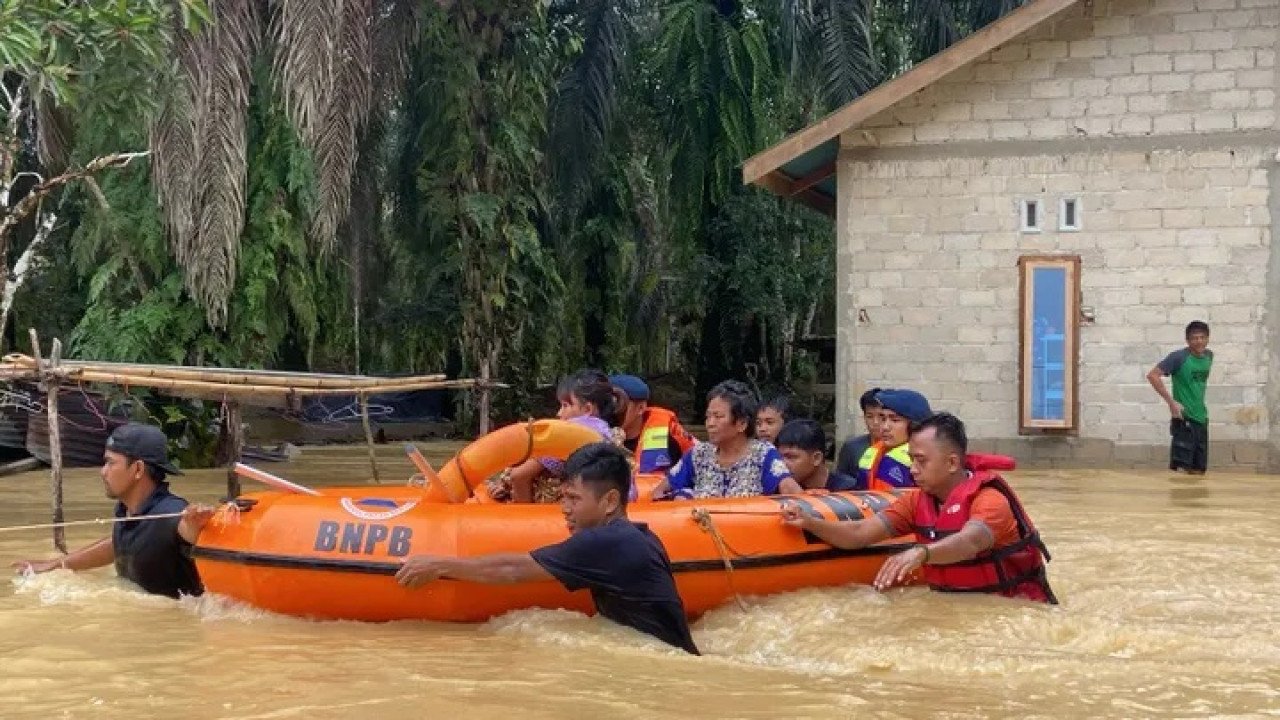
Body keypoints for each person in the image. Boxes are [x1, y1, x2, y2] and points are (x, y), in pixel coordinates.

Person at [397, 443, 700, 654]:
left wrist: (439, 565)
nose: (564, 508)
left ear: (609, 501)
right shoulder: (639, 536)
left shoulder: (606, 542)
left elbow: (512, 569)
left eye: (573, 499)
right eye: (563, 497)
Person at [781, 413, 1056, 603]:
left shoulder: (989, 499)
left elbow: (972, 540)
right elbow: (860, 533)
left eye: (921, 461)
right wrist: (810, 522)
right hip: (954, 606)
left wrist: (921, 553)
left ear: (951, 463)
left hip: (1012, 608)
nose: (912, 469)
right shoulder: (915, 501)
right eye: (911, 459)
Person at [11, 423, 212, 599]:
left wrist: (195, 523)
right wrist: (55, 565)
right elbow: (120, 544)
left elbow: (186, 531)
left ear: (138, 469)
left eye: (110, 462)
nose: (103, 471)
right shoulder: (129, 511)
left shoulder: (172, 512)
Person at [489, 369, 625, 503]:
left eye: (565, 406)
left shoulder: (570, 435)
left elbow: (519, 476)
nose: (559, 413)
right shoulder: (609, 435)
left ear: (588, 409)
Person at [651, 380, 803, 499]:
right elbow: (660, 492)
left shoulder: (763, 455)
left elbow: (792, 492)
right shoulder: (698, 454)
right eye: (708, 417)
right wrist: (681, 495)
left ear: (741, 423)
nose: (710, 423)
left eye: (718, 417)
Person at [1146, 321, 1214, 475]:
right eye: (1194, 338)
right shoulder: (1178, 357)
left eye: (1202, 337)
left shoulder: (1209, 356)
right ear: (1188, 340)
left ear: (1208, 339)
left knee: (1199, 470)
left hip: (1202, 418)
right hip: (1184, 419)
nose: (1199, 341)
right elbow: (1152, 375)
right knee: (1181, 471)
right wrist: (1171, 402)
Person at [610, 374, 696, 474]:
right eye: (608, 403)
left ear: (641, 408)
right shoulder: (597, 433)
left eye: (619, 403)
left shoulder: (669, 439)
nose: (612, 410)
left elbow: (700, 459)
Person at [854, 388, 932, 490]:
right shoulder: (871, 452)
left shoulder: (929, 458)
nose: (885, 427)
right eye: (883, 419)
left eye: (895, 420)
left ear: (915, 425)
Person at [775, 420, 859, 491]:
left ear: (816, 458)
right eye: (779, 457)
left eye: (791, 457)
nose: (782, 464)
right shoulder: (779, 487)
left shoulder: (849, 490)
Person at [836, 387, 882, 478]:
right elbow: (840, 481)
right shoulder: (851, 448)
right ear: (864, 417)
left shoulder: (903, 449)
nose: (875, 422)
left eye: (881, 416)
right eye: (870, 417)